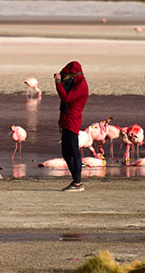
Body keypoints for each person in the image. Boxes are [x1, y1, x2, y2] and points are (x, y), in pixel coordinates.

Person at [55, 61, 88, 192]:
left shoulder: (81, 85)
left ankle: (78, 182)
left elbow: (67, 98)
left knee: (74, 151)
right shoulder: (75, 83)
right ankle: (76, 180)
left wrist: (58, 83)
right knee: (66, 153)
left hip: (72, 121)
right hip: (66, 120)